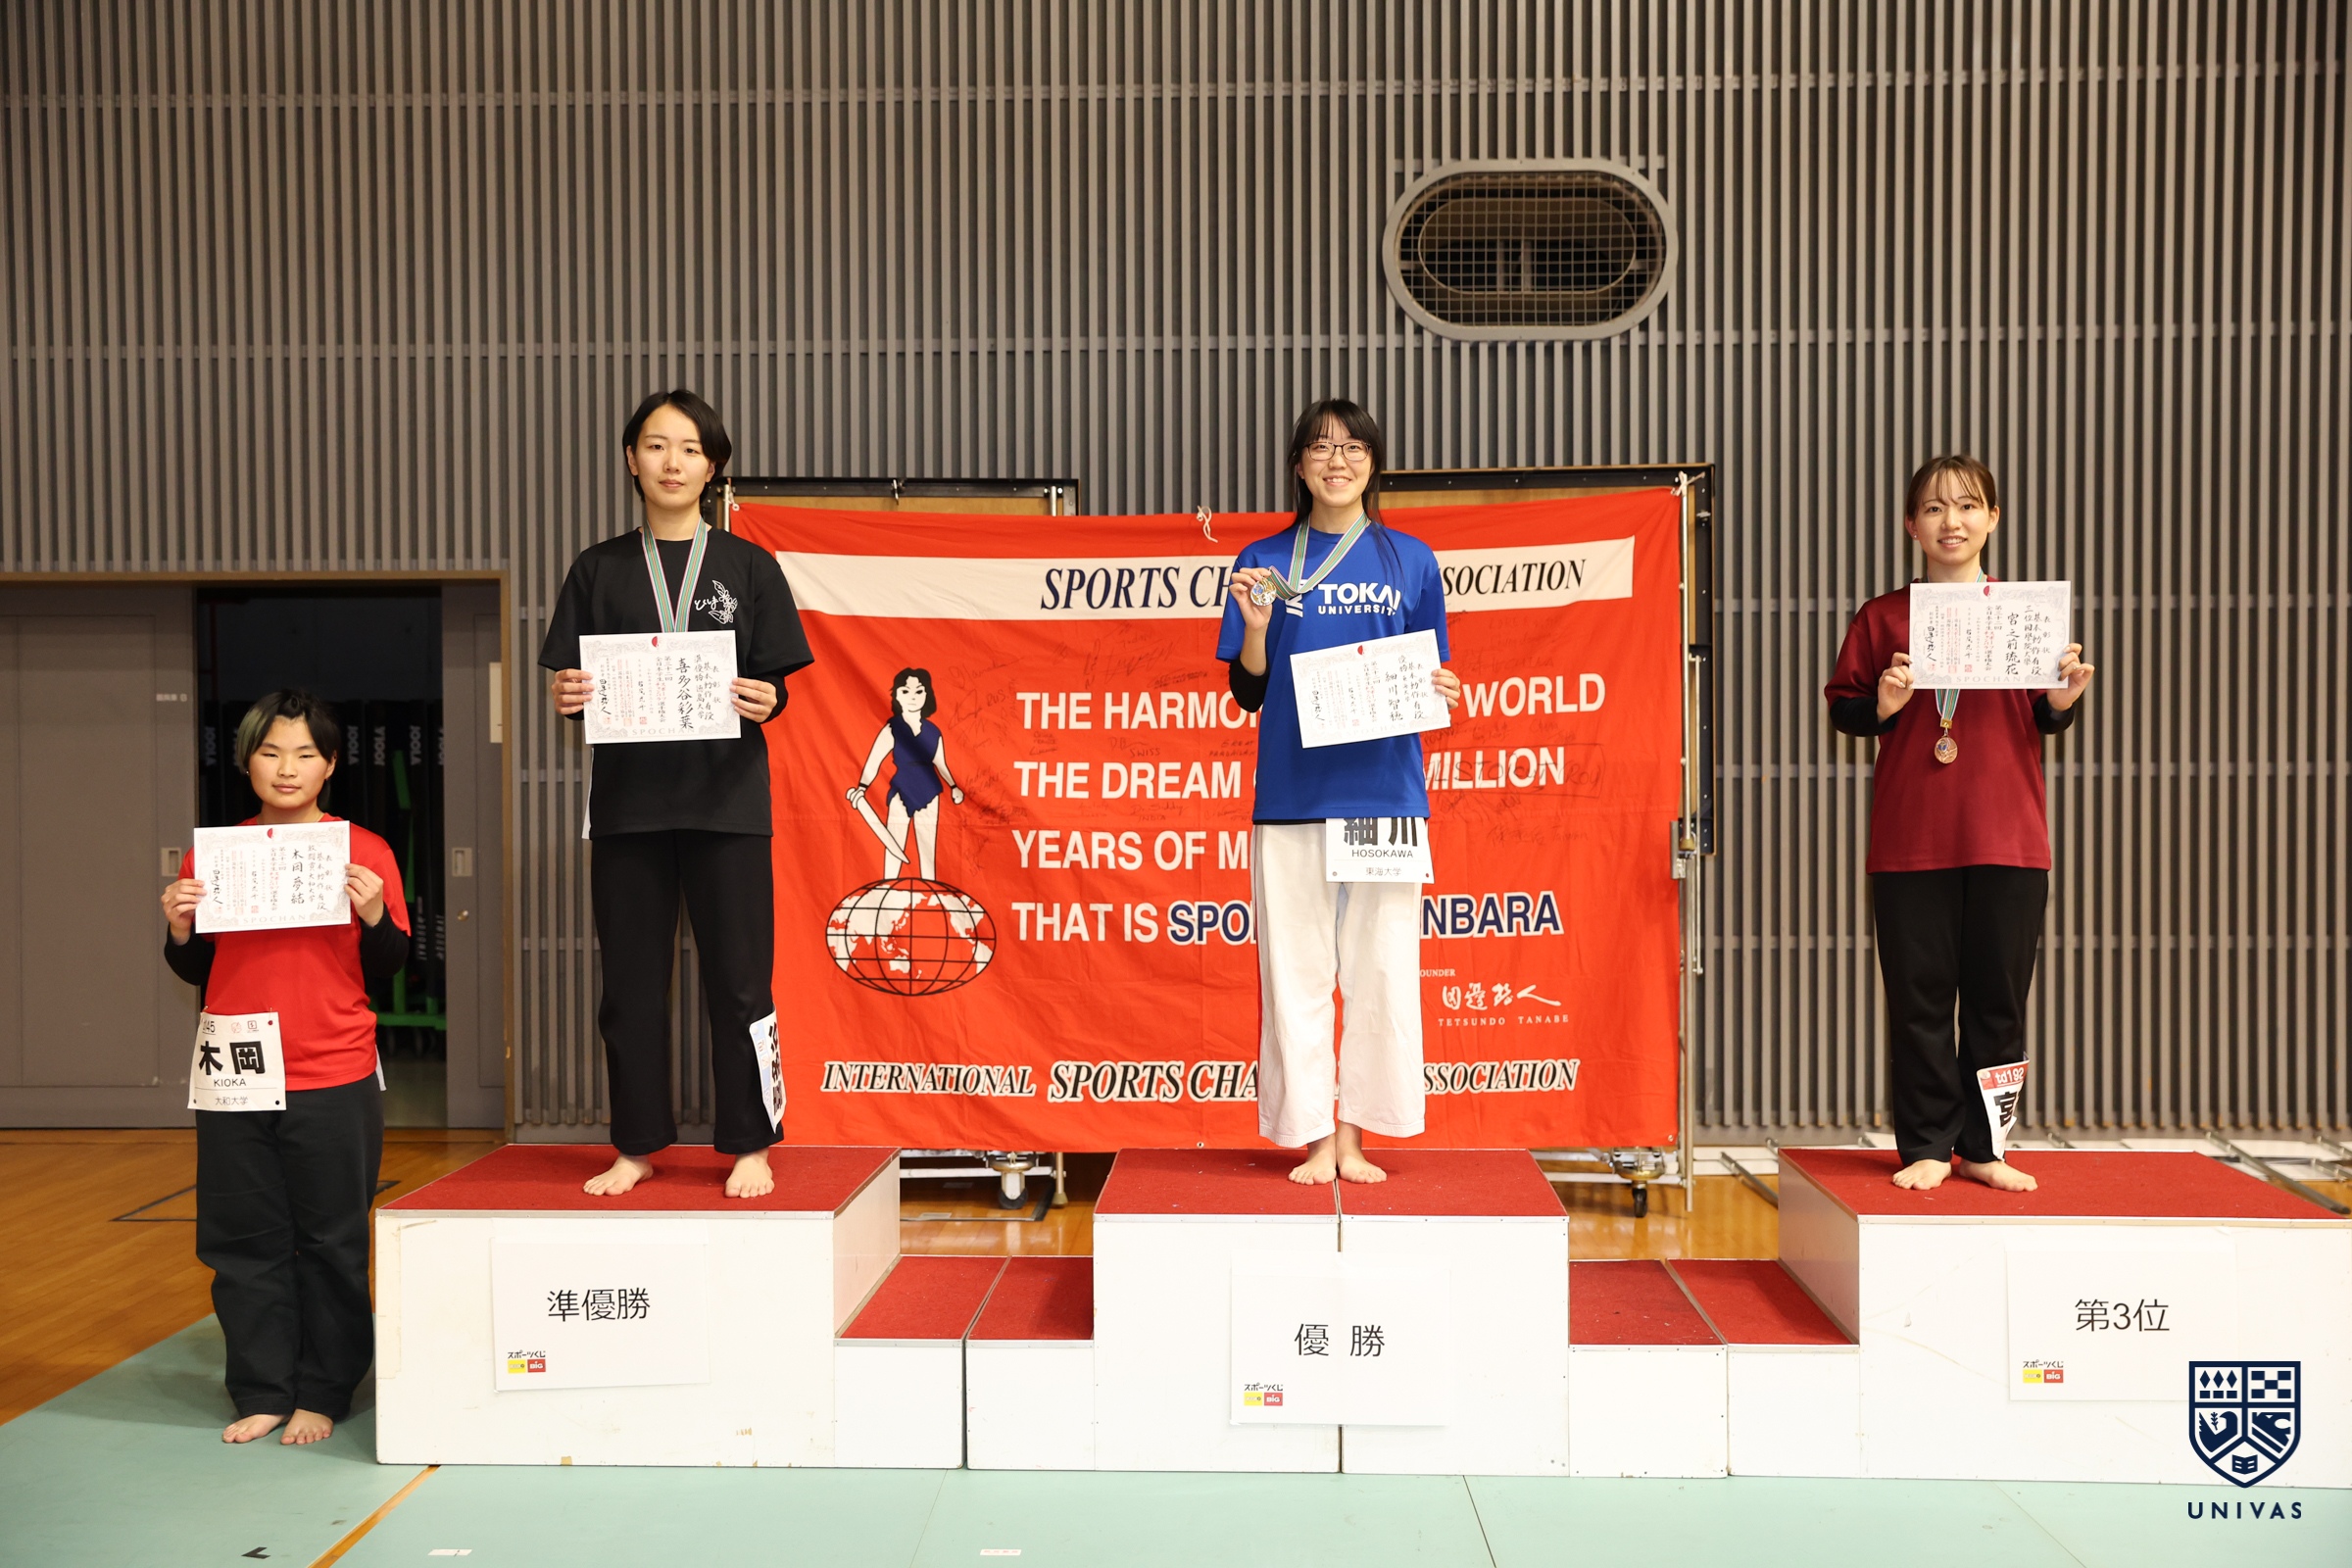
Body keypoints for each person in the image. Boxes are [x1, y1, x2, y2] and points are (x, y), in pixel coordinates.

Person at [541, 390, 813, 1199]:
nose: (672, 462)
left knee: (741, 981)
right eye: (656, 446)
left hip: (728, 804)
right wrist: (566, 693)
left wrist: (768, 697)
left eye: (690, 449)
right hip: (629, 809)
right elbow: (570, 681)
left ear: (712, 466)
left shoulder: (748, 567)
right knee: (630, 985)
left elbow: (775, 683)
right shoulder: (597, 568)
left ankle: (752, 1142)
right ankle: (635, 1144)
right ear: (632, 460)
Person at [1825, 455, 2095, 1193]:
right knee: (1918, 1001)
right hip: (1910, 840)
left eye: (1969, 506)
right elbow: (1845, 710)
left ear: (1993, 519)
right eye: (1936, 508)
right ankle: (1925, 1144)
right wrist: (1883, 706)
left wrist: (2062, 702)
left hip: (2010, 836)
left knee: (1998, 1002)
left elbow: (2041, 715)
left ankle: (1985, 1147)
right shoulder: (1882, 617)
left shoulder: (2025, 614)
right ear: (1911, 525)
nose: (1953, 521)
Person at [1218, 399, 1462, 1185]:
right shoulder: (1263, 560)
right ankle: (1314, 1137)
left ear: (1373, 465)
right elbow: (1247, 694)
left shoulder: (1410, 560)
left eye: (1354, 448)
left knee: (1381, 971)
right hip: (1292, 795)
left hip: (1385, 796)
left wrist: (1442, 687)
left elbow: (1427, 668)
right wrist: (1258, 628)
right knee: (1295, 973)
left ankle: (1356, 1137)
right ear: (1298, 465)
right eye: (1321, 447)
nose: (1337, 461)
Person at [159, 690, 410, 1446]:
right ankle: (263, 1387)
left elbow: (392, 963)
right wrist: (179, 929)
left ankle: (325, 1390)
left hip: (332, 1068)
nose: (287, 767)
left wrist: (374, 915)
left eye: (305, 753)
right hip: (235, 1070)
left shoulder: (365, 851)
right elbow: (197, 966)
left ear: (330, 765)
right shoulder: (215, 854)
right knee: (241, 1241)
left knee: (331, 1241)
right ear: (247, 763)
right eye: (270, 752)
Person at [846, 667, 965, 880]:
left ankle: (931, 890)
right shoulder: (893, 728)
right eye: (906, 691)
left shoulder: (933, 731)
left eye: (919, 691)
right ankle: (888, 888)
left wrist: (954, 786)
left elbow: (941, 763)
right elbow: (874, 760)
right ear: (897, 695)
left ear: (927, 695)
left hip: (929, 790)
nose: (912, 697)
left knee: (927, 845)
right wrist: (862, 788)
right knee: (895, 840)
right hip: (901, 789)